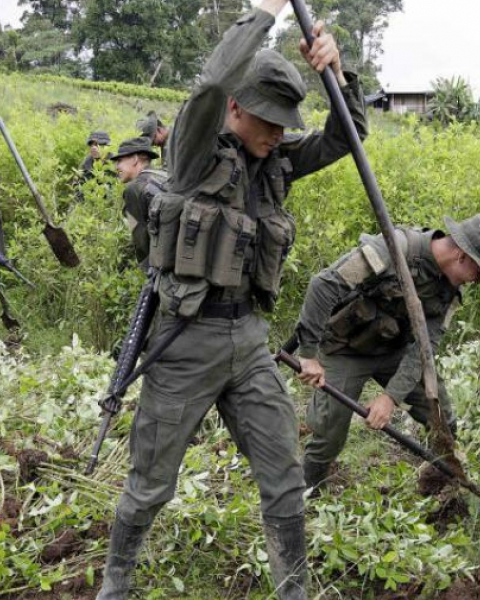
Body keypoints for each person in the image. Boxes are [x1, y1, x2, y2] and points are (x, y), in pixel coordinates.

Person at [94, 1, 367, 598]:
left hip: (248, 342)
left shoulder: (274, 163)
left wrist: (337, 74)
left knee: (285, 476)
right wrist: (262, 14)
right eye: (267, 120)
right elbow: (212, 81)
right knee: (150, 483)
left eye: (284, 123)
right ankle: (116, 584)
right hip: (184, 340)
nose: (278, 133)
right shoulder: (192, 154)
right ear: (236, 110)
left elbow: (350, 137)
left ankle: (291, 589)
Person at [294, 214, 480, 492]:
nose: (475, 282)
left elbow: (424, 349)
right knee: (330, 431)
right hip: (345, 349)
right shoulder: (392, 249)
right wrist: (308, 354)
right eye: (478, 273)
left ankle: (442, 486)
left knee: (441, 415)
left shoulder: (448, 292)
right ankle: (308, 488)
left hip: (393, 353)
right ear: (462, 257)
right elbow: (323, 285)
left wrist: (390, 397)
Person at [108, 137, 164, 261]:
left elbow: (140, 239)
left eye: (120, 161)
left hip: (160, 264)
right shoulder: (163, 176)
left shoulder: (133, 189)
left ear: (135, 159)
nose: (116, 167)